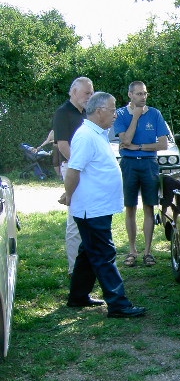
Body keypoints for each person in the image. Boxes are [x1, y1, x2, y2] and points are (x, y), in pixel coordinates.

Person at [64, 91, 146, 318]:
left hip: (97, 207)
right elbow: (73, 170)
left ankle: (78, 296)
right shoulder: (86, 136)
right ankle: (118, 305)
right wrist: (68, 195)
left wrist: (69, 194)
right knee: (104, 254)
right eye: (112, 110)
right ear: (99, 111)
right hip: (92, 209)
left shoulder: (96, 133)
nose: (115, 114)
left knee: (88, 252)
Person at [113, 81, 169, 267]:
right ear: (130, 95)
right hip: (129, 164)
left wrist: (139, 147)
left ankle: (148, 252)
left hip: (149, 164)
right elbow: (126, 140)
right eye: (138, 94)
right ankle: (132, 251)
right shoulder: (121, 114)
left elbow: (163, 144)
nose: (143, 97)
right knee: (130, 207)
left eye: (145, 93)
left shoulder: (155, 114)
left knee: (149, 207)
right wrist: (136, 117)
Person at [53, 77, 94, 274]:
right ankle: (74, 269)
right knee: (75, 217)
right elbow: (62, 146)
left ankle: (89, 265)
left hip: (86, 168)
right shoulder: (63, 113)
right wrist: (79, 166)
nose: (90, 96)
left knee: (90, 215)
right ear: (74, 92)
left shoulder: (87, 113)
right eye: (87, 93)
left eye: (92, 93)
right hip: (72, 167)